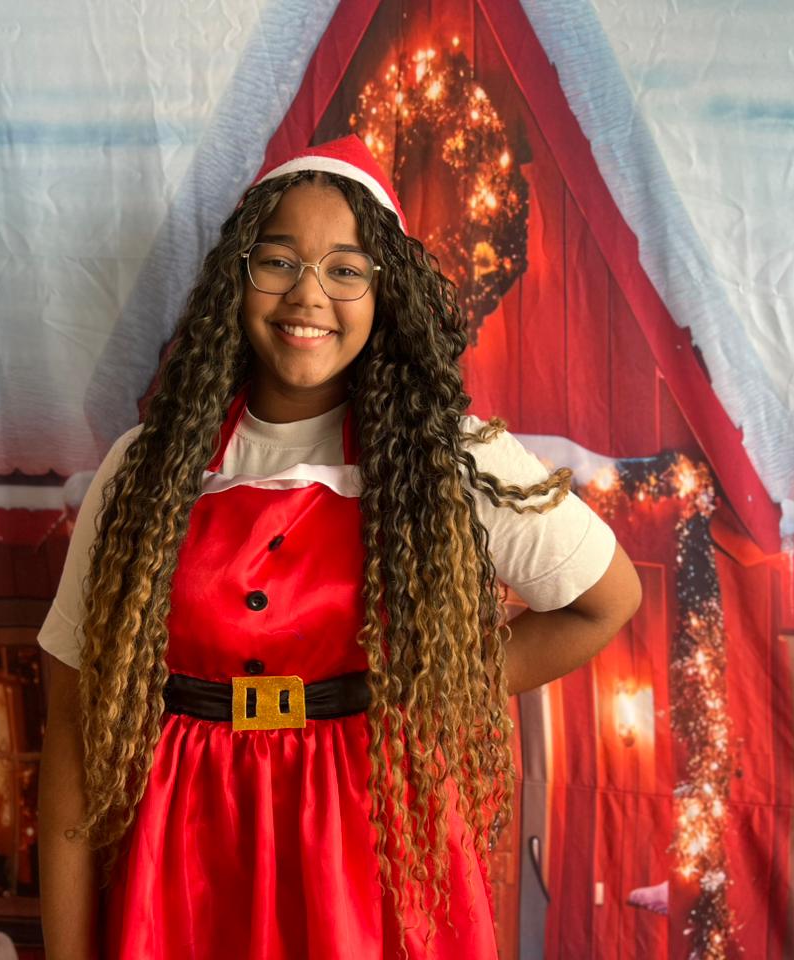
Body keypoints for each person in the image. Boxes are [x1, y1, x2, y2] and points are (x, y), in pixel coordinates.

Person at [37, 134, 642, 959]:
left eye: (346, 269)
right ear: (238, 275)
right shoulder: (144, 469)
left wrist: (433, 682)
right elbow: (72, 725)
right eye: (279, 261)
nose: (308, 294)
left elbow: (606, 600)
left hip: (367, 858)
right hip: (182, 861)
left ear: (384, 292)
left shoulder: (445, 460)